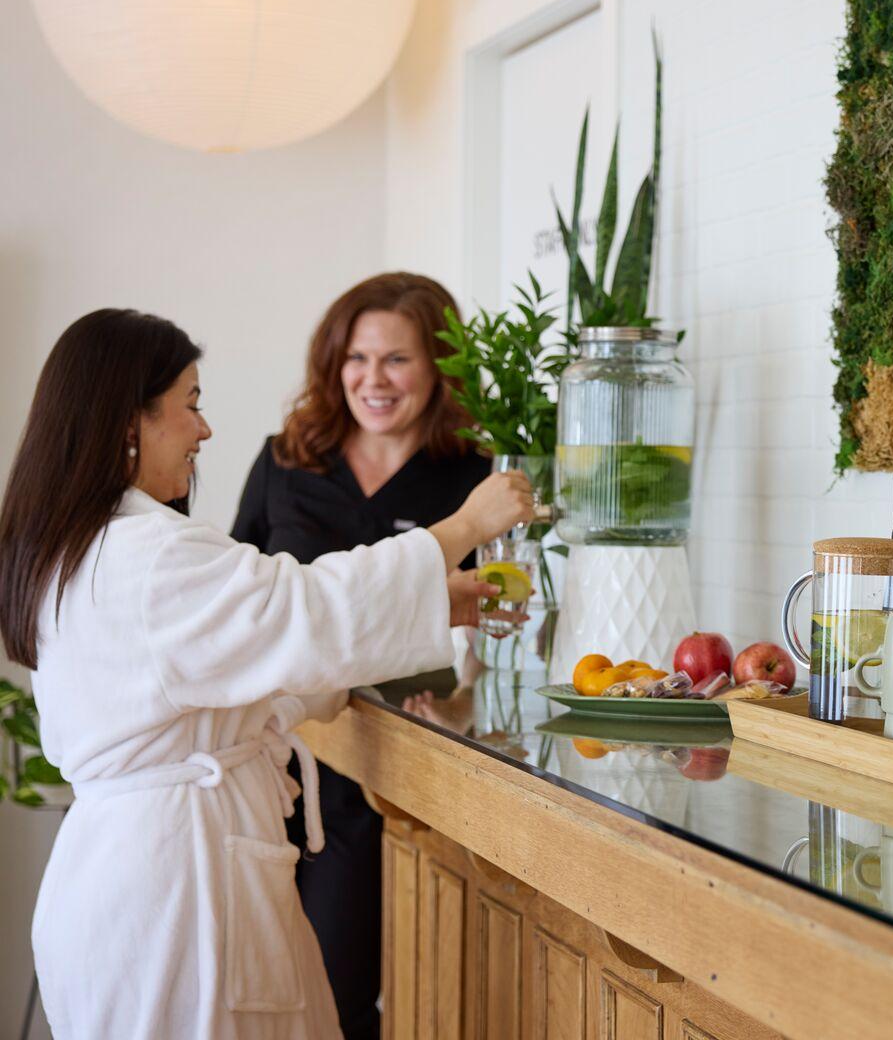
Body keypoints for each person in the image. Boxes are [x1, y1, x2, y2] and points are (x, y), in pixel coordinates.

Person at [0, 308, 531, 1040]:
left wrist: (432, 605)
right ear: (131, 420)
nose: (205, 429)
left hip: (132, 882)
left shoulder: (82, 543)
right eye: (189, 404)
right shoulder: (147, 554)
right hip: (174, 896)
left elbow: (240, 657)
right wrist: (465, 528)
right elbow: (302, 607)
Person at [230, 272, 492, 1040]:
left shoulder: (472, 477)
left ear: (441, 369)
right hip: (275, 758)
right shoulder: (286, 460)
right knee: (254, 994)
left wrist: (463, 695)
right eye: (357, 358)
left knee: (340, 1001)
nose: (371, 381)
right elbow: (238, 601)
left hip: (387, 766)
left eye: (397, 361)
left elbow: (506, 608)